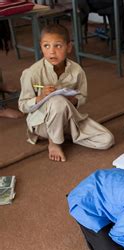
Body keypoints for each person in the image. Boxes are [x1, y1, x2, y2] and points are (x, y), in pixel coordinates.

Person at [18, 24, 114, 162]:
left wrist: (72, 99)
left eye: (58, 46)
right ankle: (54, 142)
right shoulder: (32, 73)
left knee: (106, 140)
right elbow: (22, 106)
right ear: (41, 47)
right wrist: (41, 97)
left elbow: (82, 97)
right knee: (57, 101)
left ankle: (62, 133)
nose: (52, 52)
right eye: (46, 46)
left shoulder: (77, 70)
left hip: (68, 119)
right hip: (41, 124)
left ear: (68, 47)